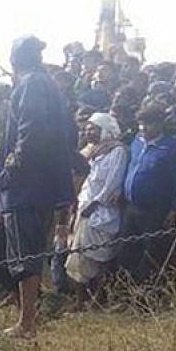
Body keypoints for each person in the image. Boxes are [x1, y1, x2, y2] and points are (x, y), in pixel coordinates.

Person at [0, 36, 76, 338]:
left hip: (25, 186)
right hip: (43, 184)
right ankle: (31, 312)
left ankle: (27, 322)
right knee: (14, 251)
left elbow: (31, 130)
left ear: (14, 60)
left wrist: (12, 166)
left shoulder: (30, 84)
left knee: (24, 253)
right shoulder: (50, 85)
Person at [120, 100, 176, 283]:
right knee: (127, 250)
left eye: (149, 123)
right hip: (131, 206)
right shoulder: (136, 142)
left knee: (152, 253)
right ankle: (127, 292)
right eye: (141, 123)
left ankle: (150, 294)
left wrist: (173, 209)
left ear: (160, 124)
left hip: (156, 209)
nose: (144, 128)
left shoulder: (171, 146)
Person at [64, 112, 129, 293]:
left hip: (101, 211)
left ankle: (97, 298)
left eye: (93, 129)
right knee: (77, 257)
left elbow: (112, 181)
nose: (88, 132)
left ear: (105, 129)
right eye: (86, 129)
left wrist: (95, 203)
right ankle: (81, 300)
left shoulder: (117, 151)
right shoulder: (90, 151)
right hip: (83, 209)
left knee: (97, 257)